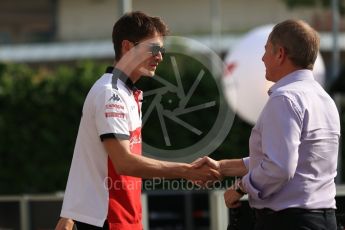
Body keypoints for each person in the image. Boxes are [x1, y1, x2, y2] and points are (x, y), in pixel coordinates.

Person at [55, 11, 220, 230]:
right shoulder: (110, 93)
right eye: (153, 49)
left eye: (161, 50)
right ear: (126, 47)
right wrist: (186, 171)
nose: (160, 57)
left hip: (122, 216)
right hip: (108, 218)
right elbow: (124, 162)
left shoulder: (125, 92)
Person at [195, 19, 340, 230]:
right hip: (324, 219)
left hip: (288, 221)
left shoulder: (285, 98)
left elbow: (279, 167)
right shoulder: (324, 98)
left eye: (266, 51)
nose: (262, 58)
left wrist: (240, 188)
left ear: (280, 54)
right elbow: (291, 160)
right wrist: (222, 167)